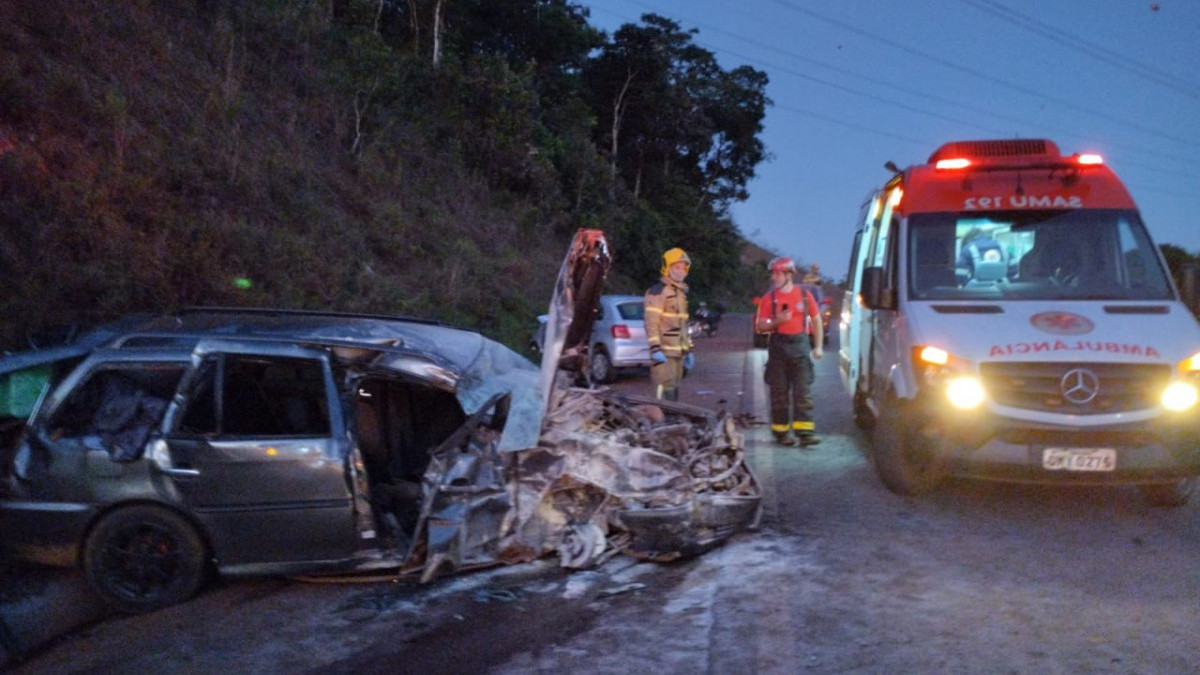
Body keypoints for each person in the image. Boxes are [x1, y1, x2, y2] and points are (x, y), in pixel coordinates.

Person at [755, 256, 823, 447]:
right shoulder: (769, 299)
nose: (774, 278)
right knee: (779, 394)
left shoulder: (804, 296)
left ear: (789, 274)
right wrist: (777, 322)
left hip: (800, 349)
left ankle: (805, 433)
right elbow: (760, 326)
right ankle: (781, 433)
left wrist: (818, 347)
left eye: (778, 273)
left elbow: (816, 321)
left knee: (803, 392)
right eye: (773, 274)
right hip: (778, 351)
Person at [644, 247, 693, 401]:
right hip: (664, 352)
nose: (681, 271)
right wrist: (655, 348)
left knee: (674, 387)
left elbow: (683, 325)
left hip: (678, 352)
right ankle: (662, 422)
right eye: (677, 267)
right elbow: (651, 322)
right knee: (663, 389)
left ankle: (672, 420)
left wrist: (689, 348)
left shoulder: (680, 293)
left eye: (684, 267)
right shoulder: (658, 291)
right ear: (667, 267)